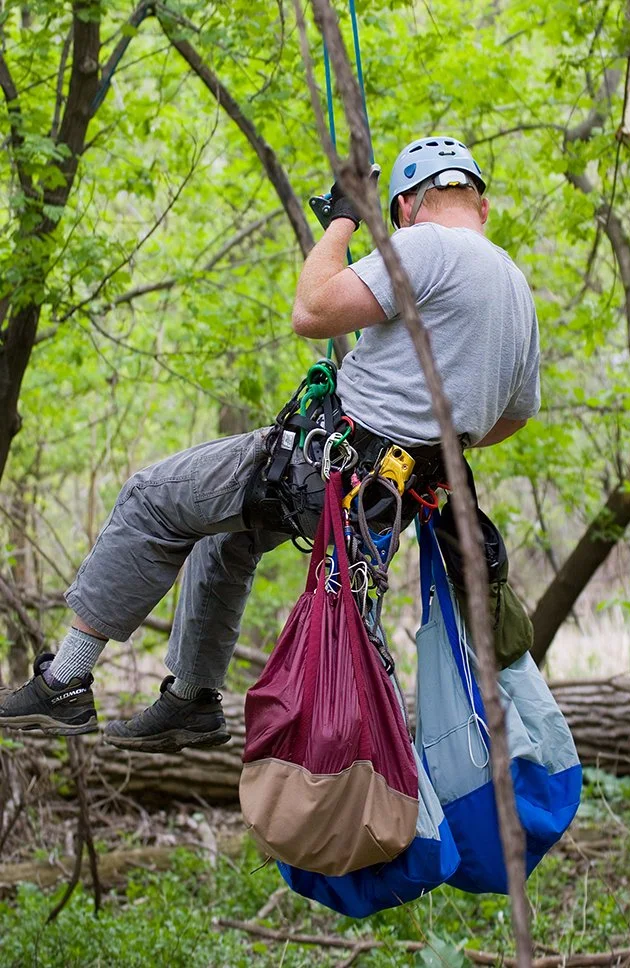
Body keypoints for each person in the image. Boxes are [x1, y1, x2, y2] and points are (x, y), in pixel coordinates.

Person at [0, 136, 539, 752]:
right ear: (483, 205)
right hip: (386, 499)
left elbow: (310, 310)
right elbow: (512, 417)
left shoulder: (424, 245)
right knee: (227, 535)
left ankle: (65, 680)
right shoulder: (516, 290)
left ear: (407, 208)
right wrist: (425, 438)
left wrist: (342, 221)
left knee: (151, 496)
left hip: (327, 463)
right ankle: (190, 700)